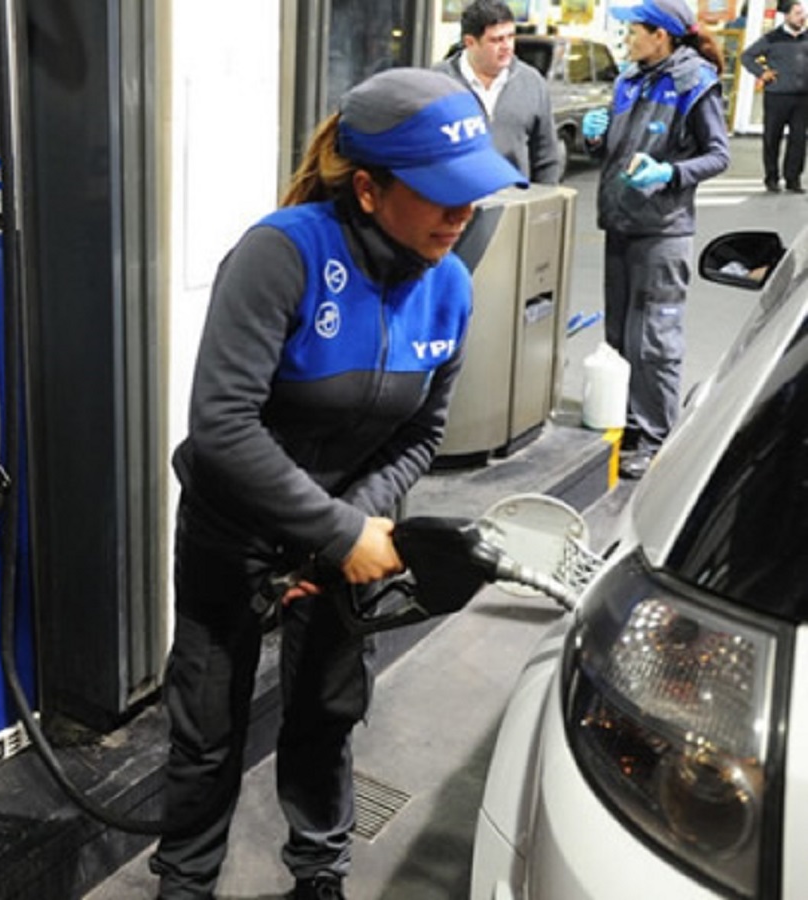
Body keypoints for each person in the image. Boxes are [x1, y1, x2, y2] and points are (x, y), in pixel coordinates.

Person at [148, 69, 526, 900]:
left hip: (353, 534)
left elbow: (420, 435)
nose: (462, 213)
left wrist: (349, 531)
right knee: (206, 728)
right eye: (440, 195)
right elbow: (222, 426)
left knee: (326, 714)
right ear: (367, 188)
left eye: (471, 193)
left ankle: (319, 875)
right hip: (235, 529)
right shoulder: (282, 255)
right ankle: (185, 883)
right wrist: (335, 532)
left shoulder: (450, 285)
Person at [580, 0, 730, 479]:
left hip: (663, 231)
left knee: (654, 341)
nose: (627, 38)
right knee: (619, 335)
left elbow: (718, 155)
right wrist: (595, 138)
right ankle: (625, 423)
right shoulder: (629, 79)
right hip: (620, 223)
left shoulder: (693, 82)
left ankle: (655, 437)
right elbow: (617, 148)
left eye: (633, 31)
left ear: (660, 35)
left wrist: (670, 173)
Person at [436, 0, 561, 183]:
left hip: (514, 196)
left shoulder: (532, 83)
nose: (507, 46)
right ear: (470, 42)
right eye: (496, 40)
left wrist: (545, 197)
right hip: (453, 196)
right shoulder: (437, 83)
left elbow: (546, 157)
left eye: (510, 36)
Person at [739, 0, 808, 193]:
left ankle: (793, 179)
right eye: (797, 13)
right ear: (786, 16)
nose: (802, 17)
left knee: (798, 140)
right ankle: (772, 178)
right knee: (772, 138)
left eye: (803, 13)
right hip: (777, 96)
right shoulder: (772, 38)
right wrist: (762, 73)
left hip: (802, 97)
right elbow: (746, 56)